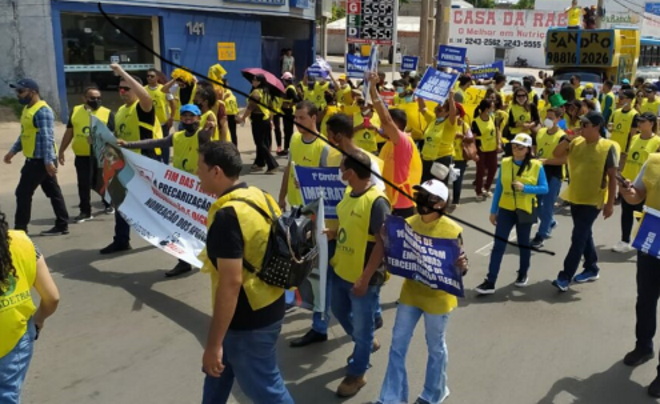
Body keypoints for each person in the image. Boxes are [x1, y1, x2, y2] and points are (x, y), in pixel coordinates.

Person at [197, 142, 293, 404]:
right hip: (271, 300)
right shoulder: (260, 195)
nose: (196, 174)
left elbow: (231, 283)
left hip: (247, 320)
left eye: (200, 168)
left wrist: (213, 344)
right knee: (216, 375)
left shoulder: (227, 216)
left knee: (267, 390)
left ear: (216, 171)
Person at [374, 180, 468, 404]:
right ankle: (391, 398)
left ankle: (434, 392)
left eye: (430, 197)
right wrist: (386, 238)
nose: (423, 201)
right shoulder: (407, 224)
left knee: (435, 348)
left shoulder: (452, 230)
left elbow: (459, 268)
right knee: (397, 344)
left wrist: (462, 266)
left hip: (438, 299)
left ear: (441, 203)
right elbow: (395, 253)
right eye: (421, 195)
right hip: (411, 293)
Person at [118, 105, 212, 277]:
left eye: (192, 116)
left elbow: (207, 137)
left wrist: (209, 130)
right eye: (184, 116)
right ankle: (184, 261)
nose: (188, 119)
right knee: (180, 226)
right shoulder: (177, 136)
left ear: (198, 118)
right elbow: (154, 142)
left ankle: (210, 255)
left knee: (204, 224)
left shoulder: (201, 136)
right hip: (180, 190)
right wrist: (128, 144)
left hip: (199, 189)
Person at [329, 149, 391, 398]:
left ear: (351, 173)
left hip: (364, 277)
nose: (339, 173)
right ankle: (365, 342)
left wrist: (365, 279)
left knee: (363, 329)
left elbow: (382, 243)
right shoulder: (348, 193)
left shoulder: (377, 202)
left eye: (342, 169)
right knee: (338, 309)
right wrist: (333, 233)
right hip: (341, 268)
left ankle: (357, 373)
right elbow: (348, 224)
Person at [277, 101, 333, 347]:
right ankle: (292, 297)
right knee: (292, 256)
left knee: (316, 268)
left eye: (301, 117)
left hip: (313, 216)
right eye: (295, 117)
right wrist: (281, 196)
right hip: (295, 209)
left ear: (314, 118)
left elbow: (328, 185)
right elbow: (289, 170)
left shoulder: (324, 148)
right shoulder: (294, 140)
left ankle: (320, 323)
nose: (297, 121)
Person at [551, 111, 618, 291]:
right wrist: (567, 138)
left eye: (585, 124)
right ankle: (591, 268)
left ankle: (565, 276)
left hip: (593, 200)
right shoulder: (575, 142)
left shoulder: (608, 147)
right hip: (575, 196)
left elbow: (612, 177)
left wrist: (610, 204)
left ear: (596, 127)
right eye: (581, 123)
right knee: (584, 234)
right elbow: (556, 154)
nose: (581, 127)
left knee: (578, 236)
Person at [100, 63, 163, 254]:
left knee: (154, 205)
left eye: (126, 88)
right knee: (121, 201)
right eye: (120, 88)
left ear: (136, 89)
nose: (122, 92)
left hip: (145, 162)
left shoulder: (142, 108)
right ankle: (121, 240)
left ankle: (172, 237)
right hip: (125, 164)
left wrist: (121, 72)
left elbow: (146, 97)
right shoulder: (120, 111)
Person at [475, 134, 548, 295]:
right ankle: (490, 281)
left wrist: (525, 188)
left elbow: (544, 188)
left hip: (525, 210)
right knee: (498, 245)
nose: (516, 150)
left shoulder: (536, 166)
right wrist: (493, 211)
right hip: (506, 209)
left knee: (523, 244)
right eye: (514, 146)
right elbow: (499, 188)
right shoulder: (506, 162)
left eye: (520, 147)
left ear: (528, 149)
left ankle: (523, 273)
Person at [0, 209, 60, 403]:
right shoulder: (23, 242)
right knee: (7, 394)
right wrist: (38, 320)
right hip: (15, 338)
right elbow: (52, 297)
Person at [3, 79, 69, 236]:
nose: (18, 95)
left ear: (33, 92)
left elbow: (47, 138)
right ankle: (62, 224)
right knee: (53, 192)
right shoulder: (28, 109)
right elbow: (25, 134)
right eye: (17, 91)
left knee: (23, 193)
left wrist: (48, 162)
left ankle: (20, 229)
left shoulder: (42, 111)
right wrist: (13, 151)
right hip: (38, 159)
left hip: (40, 161)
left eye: (21, 91)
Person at [618, 152, 660, 398]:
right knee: (645, 299)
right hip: (652, 239)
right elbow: (638, 194)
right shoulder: (654, 161)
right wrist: (628, 192)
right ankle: (643, 346)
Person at [57, 87, 115, 222]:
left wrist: (98, 139)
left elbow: (112, 136)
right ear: (84, 98)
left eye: (99, 98)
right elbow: (69, 132)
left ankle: (108, 203)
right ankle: (85, 211)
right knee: (83, 183)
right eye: (92, 98)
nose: (96, 101)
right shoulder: (76, 111)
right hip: (82, 155)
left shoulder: (107, 113)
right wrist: (61, 150)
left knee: (101, 181)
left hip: (101, 155)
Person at [368, 72, 422, 218]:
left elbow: (385, 120)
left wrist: (373, 87)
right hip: (388, 200)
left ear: (395, 125)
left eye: (386, 124)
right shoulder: (389, 143)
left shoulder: (403, 141)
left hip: (402, 204)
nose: (382, 126)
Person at [613, 112, 660, 253]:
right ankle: (625, 241)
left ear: (651, 123)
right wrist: (620, 173)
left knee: (642, 215)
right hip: (628, 180)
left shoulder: (657, 141)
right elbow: (627, 157)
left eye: (642, 121)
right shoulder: (634, 138)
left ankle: (650, 241)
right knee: (626, 212)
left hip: (644, 185)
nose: (639, 124)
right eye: (638, 121)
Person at [531, 108, 567, 248]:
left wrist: (546, 161)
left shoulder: (562, 137)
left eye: (551, 118)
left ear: (559, 119)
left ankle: (541, 234)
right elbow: (535, 147)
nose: (548, 120)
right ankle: (550, 222)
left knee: (547, 205)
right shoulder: (540, 132)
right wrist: (534, 156)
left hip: (554, 175)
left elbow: (565, 160)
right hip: (538, 172)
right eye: (547, 117)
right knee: (534, 203)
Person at [237, 74, 279, 174]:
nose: (253, 81)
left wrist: (242, 118)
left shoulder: (256, 93)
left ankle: (272, 164)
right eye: (253, 80)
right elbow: (271, 107)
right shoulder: (267, 92)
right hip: (265, 118)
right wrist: (271, 120)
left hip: (258, 119)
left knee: (260, 143)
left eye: (255, 80)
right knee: (262, 142)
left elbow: (250, 107)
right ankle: (260, 162)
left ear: (260, 82)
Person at [419, 93, 458, 183]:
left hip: (441, 160)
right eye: (436, 109)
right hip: (427, 159)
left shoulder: (449, 124)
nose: (436, 112)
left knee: (437, 187)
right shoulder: (433, 119)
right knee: (424, 186)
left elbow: (453, 114)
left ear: (447, 112)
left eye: (439, 110)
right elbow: (423, 108)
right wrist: (420, 93)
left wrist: (451, 98)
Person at [472, 99, 501, 202]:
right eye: (492, 107)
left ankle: (486, 188)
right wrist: (474, 151)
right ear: (486, 108)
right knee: (481, 171)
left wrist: (499, 143)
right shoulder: (476, 122)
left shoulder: (493, 117)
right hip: (481, 149)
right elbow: (473, 138)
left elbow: (497, 131)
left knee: (493, 169)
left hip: (492, 148)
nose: (493, 109)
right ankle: (478, 191)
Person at [145, 68, 172, 164]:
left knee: (164, 145)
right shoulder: (143, 90)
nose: (149, 78)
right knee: (152, 145)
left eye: (152, 76)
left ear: (157, 78)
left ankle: (165, 164)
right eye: (148, 76)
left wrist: (171, 117)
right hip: (150, 123)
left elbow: (173, 103)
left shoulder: (164, 89)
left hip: (163, 123)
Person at [609, 89, 638, 160]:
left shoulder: (634, 114)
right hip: (613, 144)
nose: (620, 100)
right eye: (620, 97)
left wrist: (629, 148)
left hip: (624, 148)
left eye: (622, 98)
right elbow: (610, 128)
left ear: (630, 100)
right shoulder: (616, 112)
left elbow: (633, 135)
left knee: (620, 166)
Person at [278, 72, 299, 156]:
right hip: (286, 112)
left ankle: (288, 149)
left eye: (283, 80)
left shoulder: (290, 89)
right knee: (287, 131)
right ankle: (287, 148)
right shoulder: (289, 88)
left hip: (289, 112)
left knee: (288, 131)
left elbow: (296, 99)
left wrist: (290, 105)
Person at [223, 81, 239, 146]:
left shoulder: (229, 92)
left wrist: (237, 114)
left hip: (231, 115)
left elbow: (234, 104)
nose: (227, 85)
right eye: (226, 84)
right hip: (226, 115)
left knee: (232, 133)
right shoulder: (223, 93)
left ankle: (234, 146)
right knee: (229, 133)